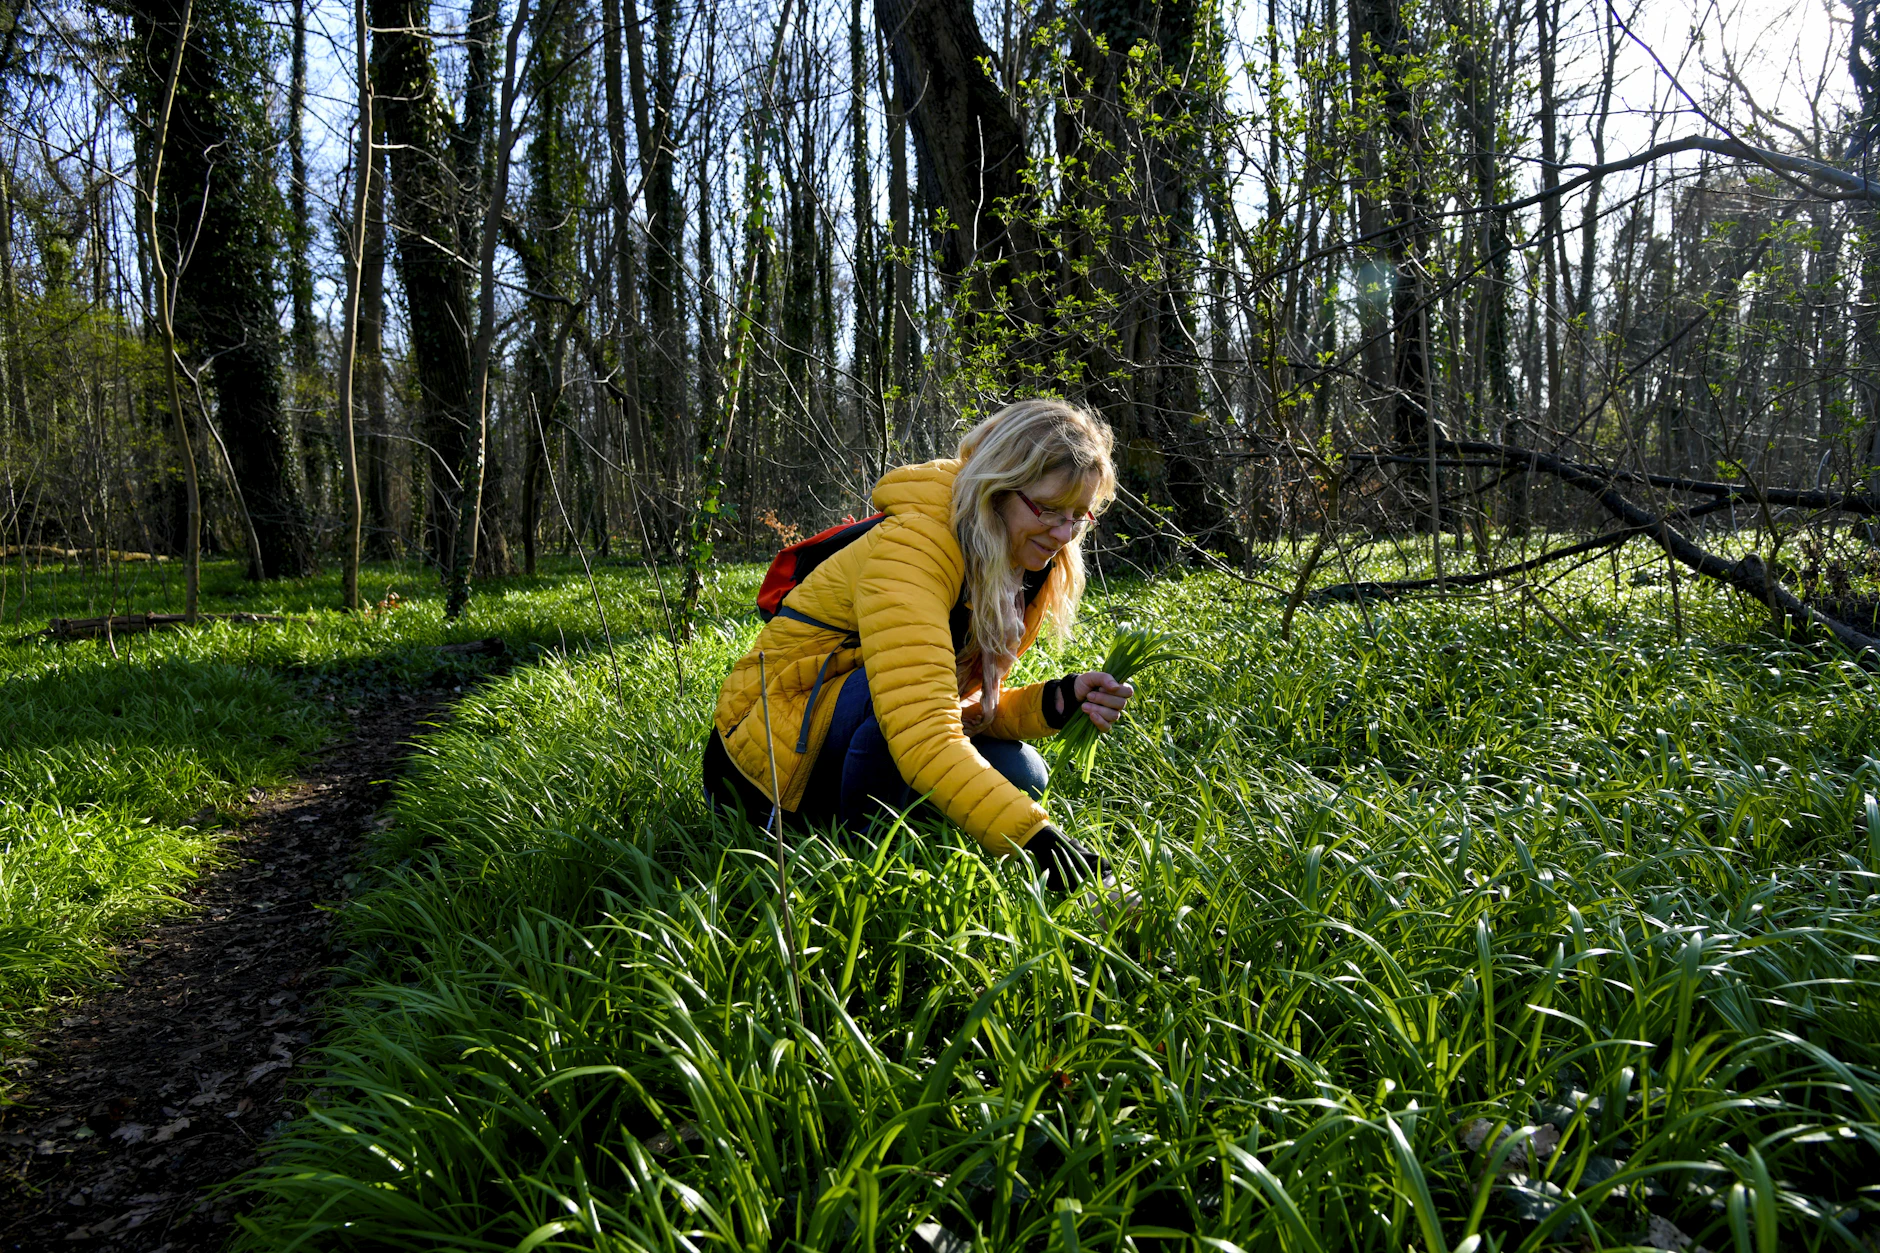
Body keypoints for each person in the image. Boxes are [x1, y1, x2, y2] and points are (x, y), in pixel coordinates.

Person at [702, 399, 1131, 889]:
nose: (1063, 534)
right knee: (895, 712)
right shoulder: (915, 548)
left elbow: (958, 701)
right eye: (1050, 509)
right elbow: (921, 725)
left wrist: (1059, 699)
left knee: (1024, 772)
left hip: (852, 732)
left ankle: (888, 819)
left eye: (1079, 516)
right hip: (761, 765)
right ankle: (860, 867)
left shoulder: (1018, 562)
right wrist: (1040, 842)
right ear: (997, 487)